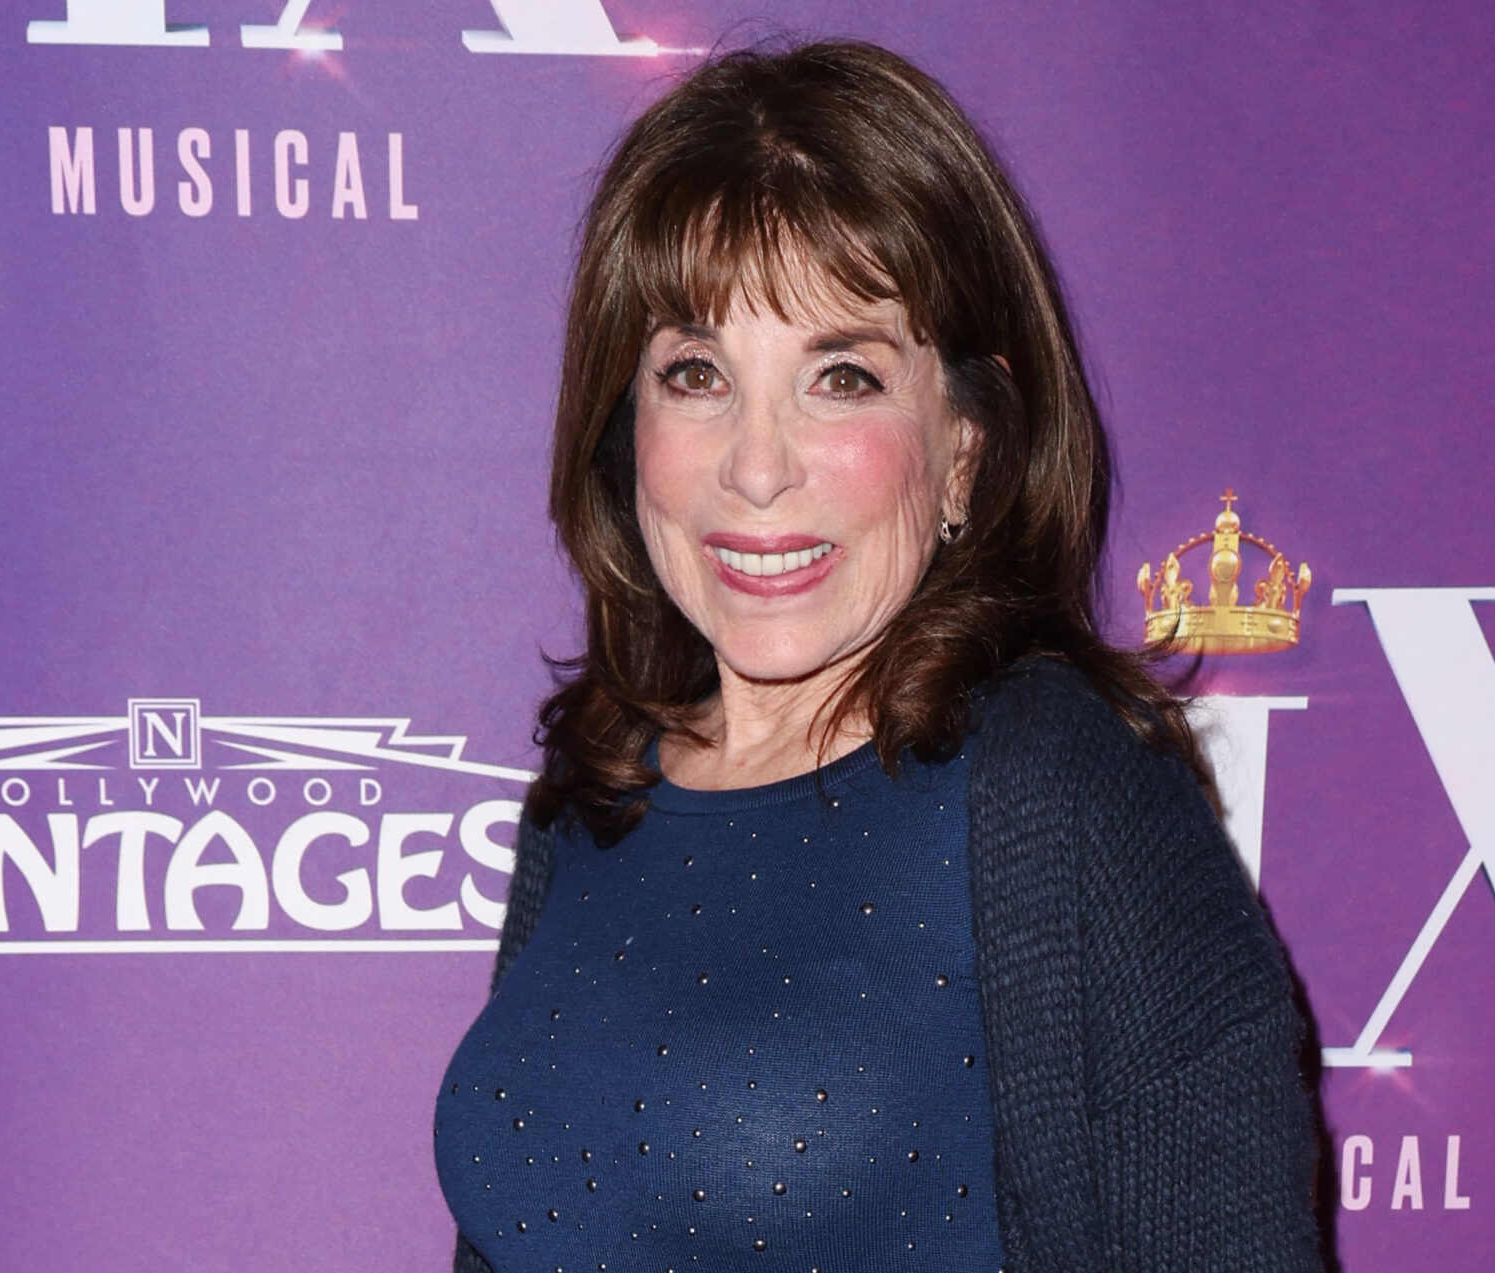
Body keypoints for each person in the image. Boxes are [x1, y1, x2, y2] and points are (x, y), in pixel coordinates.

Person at [431, 40, 1324, 1273]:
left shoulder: (1059, 792)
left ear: (963, 445)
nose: (756, 466)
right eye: (695, 374)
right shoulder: (595, 792)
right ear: (625, 424)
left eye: (840, 376)